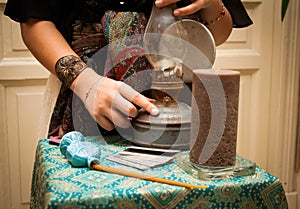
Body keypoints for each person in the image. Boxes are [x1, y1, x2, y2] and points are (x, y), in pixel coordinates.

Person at [4, 0, 252, 139]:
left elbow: (218, 34)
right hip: (83, 93)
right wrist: (88, 84)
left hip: (179, 99)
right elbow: (34, 20)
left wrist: (211, 3)